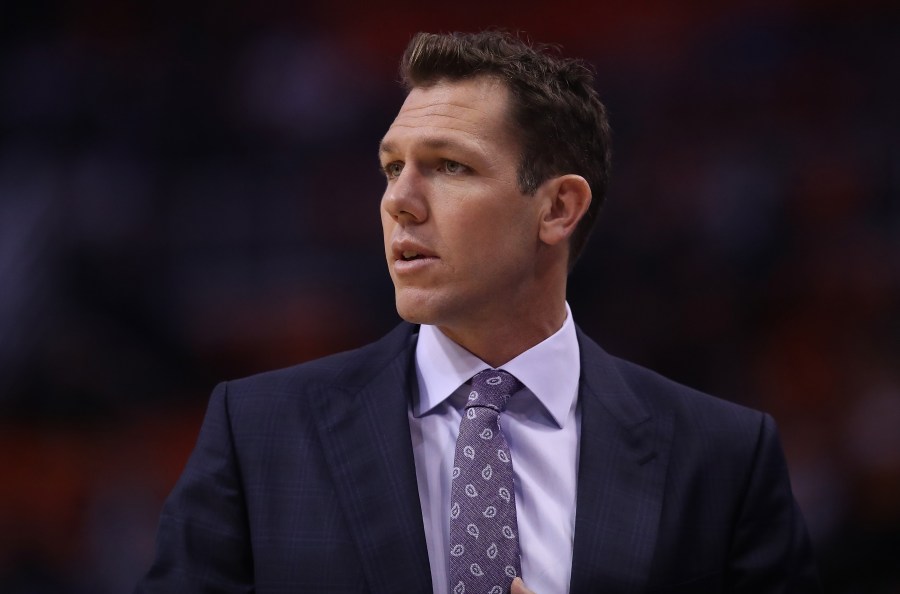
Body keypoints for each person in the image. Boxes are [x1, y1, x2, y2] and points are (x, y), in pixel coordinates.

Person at [136, 31, 820, 593]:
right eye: (391, 166)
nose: (399, 200)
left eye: (449, 166)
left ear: (557, 208)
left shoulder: (721, 459)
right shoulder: (258, 434)